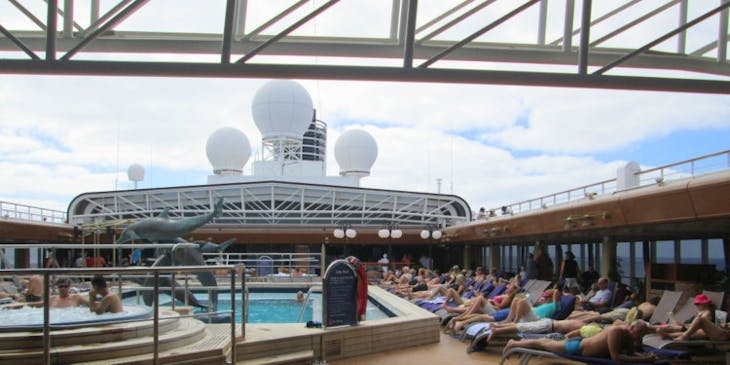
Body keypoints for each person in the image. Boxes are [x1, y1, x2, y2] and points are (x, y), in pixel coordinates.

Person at [503, 320, 656, 362]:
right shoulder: (616, 332)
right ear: (630, 328)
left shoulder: (630, 337)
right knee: (542, 343)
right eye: (636, 333)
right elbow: (616, 357)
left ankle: (516, 343)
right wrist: (646, 359)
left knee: (544, 343)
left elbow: (631, 353)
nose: (636, 337)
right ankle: (514, 343)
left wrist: (643, 357)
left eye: (639, 335)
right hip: (577, 348)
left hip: (582, 344)